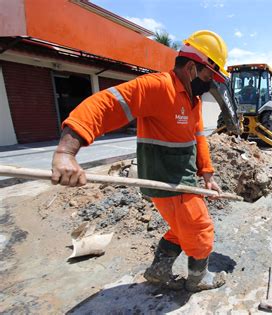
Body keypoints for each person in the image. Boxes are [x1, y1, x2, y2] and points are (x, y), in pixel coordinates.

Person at [50, 30, 229, 292]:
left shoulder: (194, 100)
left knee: (181, 229)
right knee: (201, 232)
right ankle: (197, 281)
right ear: (192, 68)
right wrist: (66, 153)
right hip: (170, 183)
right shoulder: (157, 87)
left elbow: (198, 137)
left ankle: (158, 271)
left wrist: (208, 175)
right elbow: (104, 104)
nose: (211, 84)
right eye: (209, 76)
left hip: (183, 182)